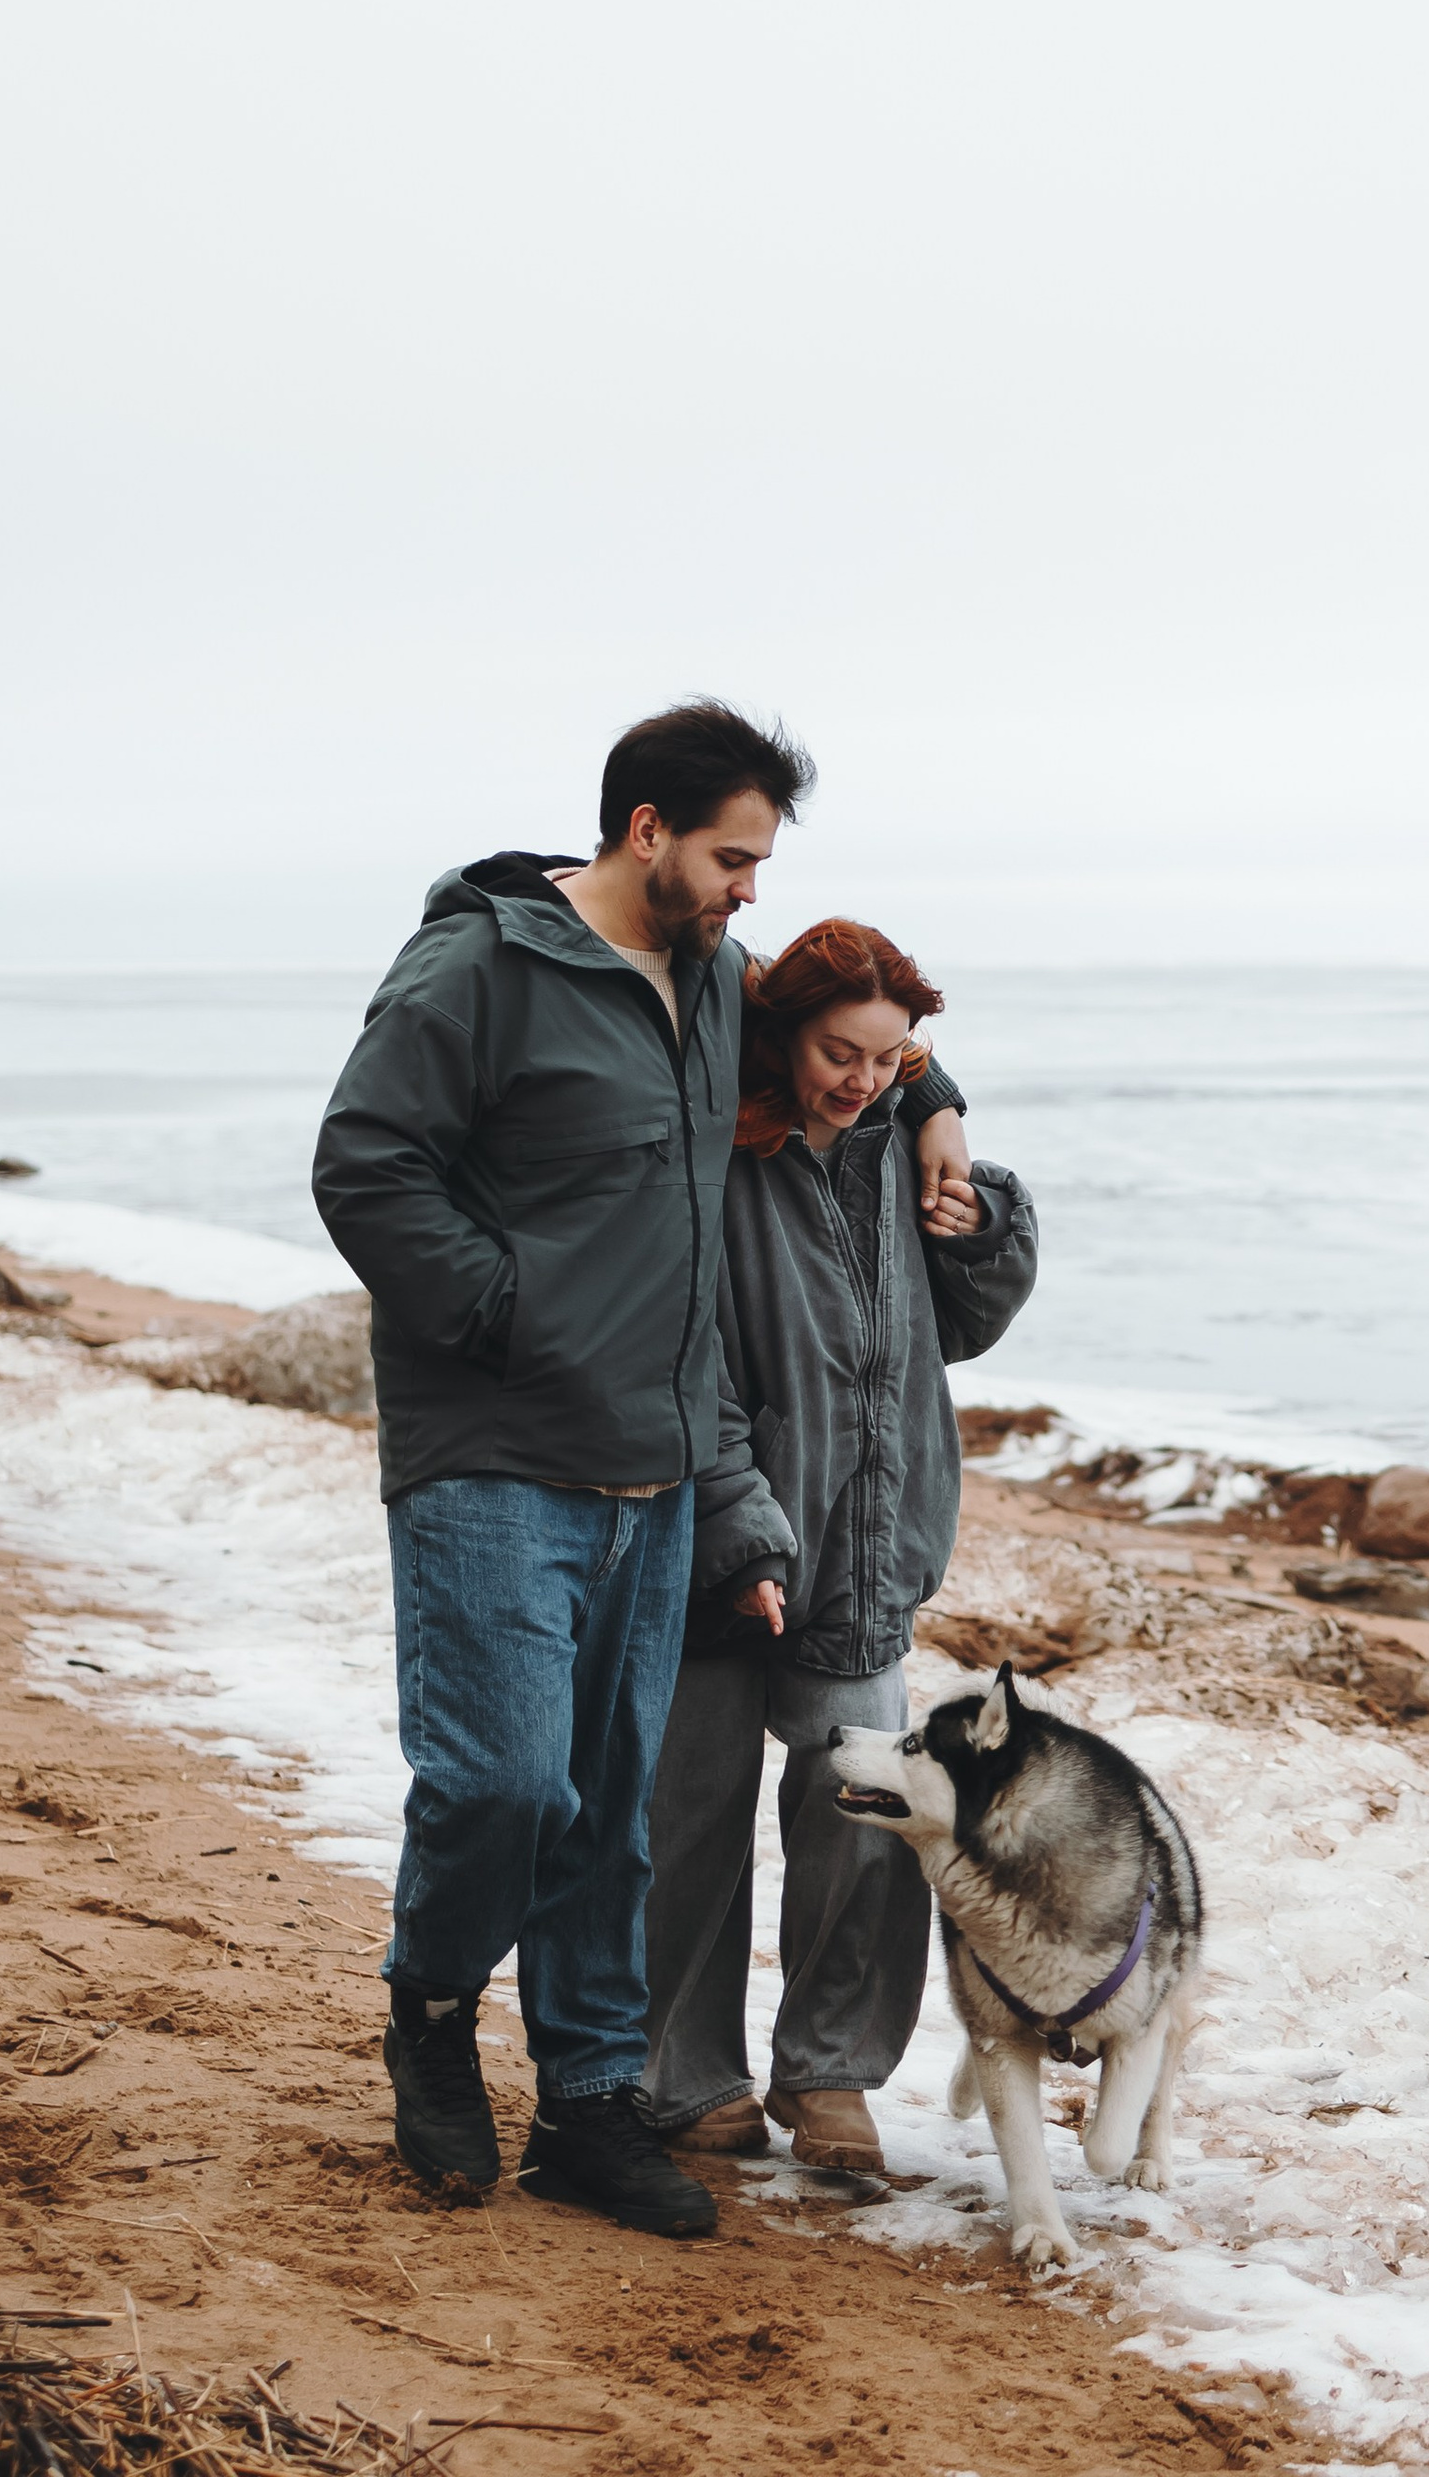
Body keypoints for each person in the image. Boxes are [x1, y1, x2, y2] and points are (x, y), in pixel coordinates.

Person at [312, 705, 971, 2237]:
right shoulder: (482, 967)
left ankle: (591, 2106)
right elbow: (366, 1164)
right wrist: (507, 1317)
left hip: (655, 1467)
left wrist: (939, 1106)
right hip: (494, 1450)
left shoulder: (716, 975)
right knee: (503, 1781)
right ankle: (432, 2010)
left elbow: (865, 1024)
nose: (753, 888)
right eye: (736, 857)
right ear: (646, 829)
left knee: (616, 1809)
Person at [641, 916, 1037, 2184]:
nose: (861, 1079)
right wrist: (739, 1526)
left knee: (861, 1817)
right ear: (781, 1037)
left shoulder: (900, 1144)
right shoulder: (712, 1145)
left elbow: (962, 1328)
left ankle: (829, 2075)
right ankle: (683, 2075)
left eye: (887, 1058)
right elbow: (684, 1362)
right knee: (688, 1820)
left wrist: (976, 1220)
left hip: (864, 1539)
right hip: (713, 1540)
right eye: (836, 1052)